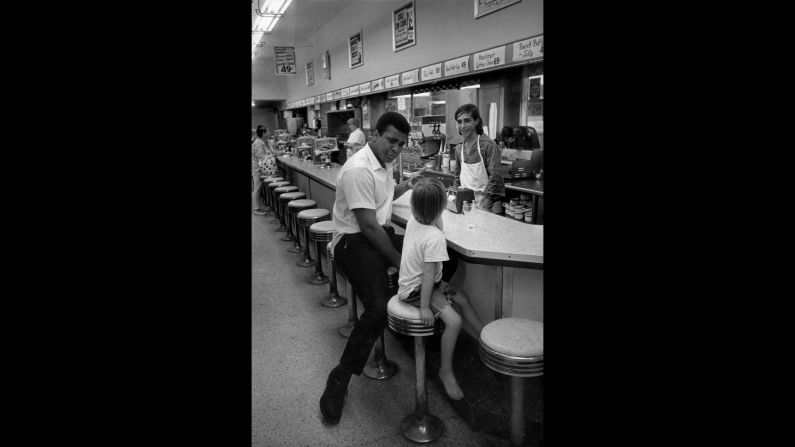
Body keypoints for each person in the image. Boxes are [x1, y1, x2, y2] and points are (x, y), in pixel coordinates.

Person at [319, 111, 417, 425]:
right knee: (376, 309)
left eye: (401, 144)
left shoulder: (383, 163)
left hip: (375, 232)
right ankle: (340, 378)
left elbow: (382, 199)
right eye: (391, 140)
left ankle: (398, 303)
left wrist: (409, 185)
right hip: (352, 241)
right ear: (374, 134)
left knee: (436, 258)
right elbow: (369, 227)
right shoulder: (358, 169)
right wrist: (401, 265)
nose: (396, 149)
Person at [397, 177, 484, 400]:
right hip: (417, 290)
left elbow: (430, 274)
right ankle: (445, 371)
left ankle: (484, 341)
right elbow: (428, 274)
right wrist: (425, 307)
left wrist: (436, 216)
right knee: (454, 322)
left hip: (421, 282)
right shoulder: (433, 237)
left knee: (461, 297)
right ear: (442, 206)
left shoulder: (415, 221)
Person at [451, 104, 504, 213]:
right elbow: (457, 176)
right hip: (464, 200)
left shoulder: (488, 145)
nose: (463, 126)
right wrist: (454, 195)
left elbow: (496, 176)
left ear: (476, 121)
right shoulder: (459, 148)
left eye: (467, 121)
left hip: (484, 201)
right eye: (459, 122)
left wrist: (486, 199)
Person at [252, 125, 277, 215]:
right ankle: (256, 209)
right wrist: (272, 156)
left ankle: (261, 207)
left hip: (265, 169)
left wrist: (278, 153)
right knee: (257, 188)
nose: (269, 133)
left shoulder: (266, 141)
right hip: (258, 169)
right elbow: (262, 157)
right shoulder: (258, 143)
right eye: (267, 132)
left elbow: (272, 151)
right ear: (263, 133)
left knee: (260, 188)